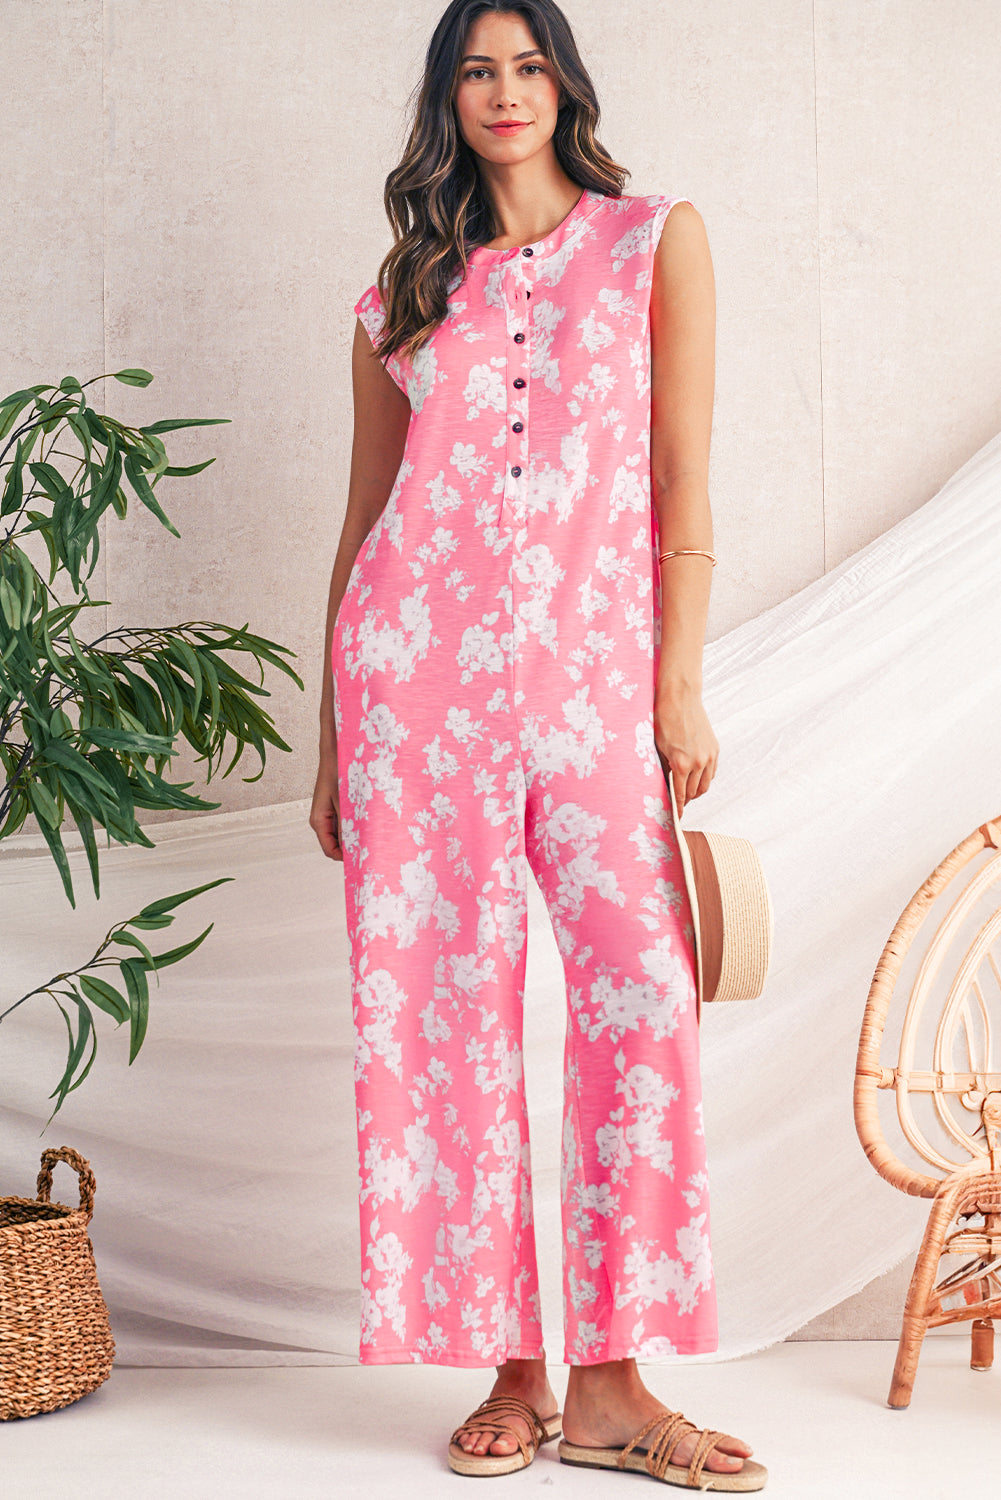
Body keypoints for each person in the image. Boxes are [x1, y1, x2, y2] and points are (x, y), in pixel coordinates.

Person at [311, 0, 766, 1489]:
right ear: (445, 100)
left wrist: (675, 685)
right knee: (444, 1031)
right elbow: (363, 522)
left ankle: (617, 1383)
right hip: (413, 696)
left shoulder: (651, 244)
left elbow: (683, 480)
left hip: (590, 693)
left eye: (525, 63)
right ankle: (509, 1368)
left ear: (565, 81)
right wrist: (332, 736)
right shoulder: (401, 292)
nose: (502, 92)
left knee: (638, 999)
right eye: (472, 70)